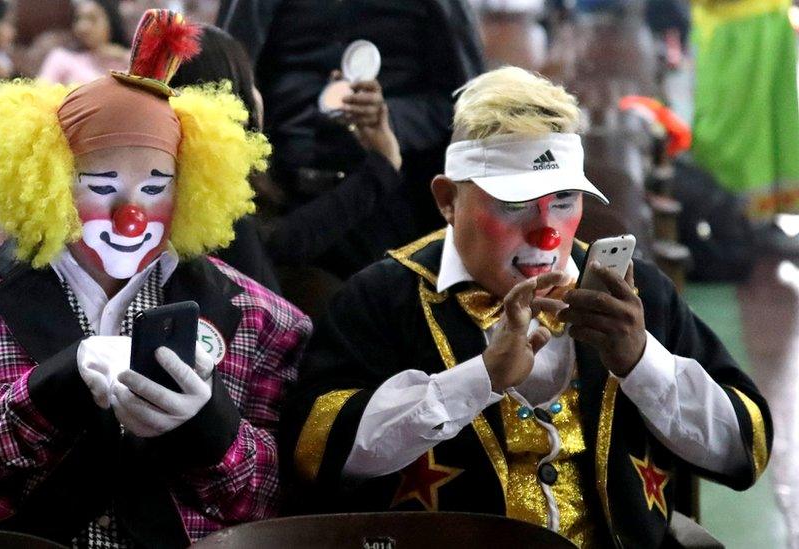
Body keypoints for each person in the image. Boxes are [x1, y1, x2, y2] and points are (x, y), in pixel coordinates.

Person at [281, 67, 772, 547]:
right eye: (515, 205)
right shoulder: (382, 299)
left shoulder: (633, 293)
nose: (547, 234)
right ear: (448, 199)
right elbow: (315, 454)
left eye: (563, 201)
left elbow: (744, 450)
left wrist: (645, 363)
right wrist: (479, 379)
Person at [0, 10, 310, 547]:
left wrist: (211, 429)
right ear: (49, 181)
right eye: (102, 185)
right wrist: (43, 394)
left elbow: (279, 500)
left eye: (155, 189)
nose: (132, 214)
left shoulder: (266, 322)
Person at [219, 0, 486, 248]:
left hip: (390, 199)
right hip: (278, 193)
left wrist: (386, 120)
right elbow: (226, 82)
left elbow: (466, 104)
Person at [169, 24, 410, 287]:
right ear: (230, 99)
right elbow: (279, 245)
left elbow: (282, 239)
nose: (258, 96)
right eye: (251, 83)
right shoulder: (218, 218)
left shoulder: (167, 181)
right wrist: (382, 167)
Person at [37, 0, 131, 85]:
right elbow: (40, 95)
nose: (82, 27)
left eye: (92, 19)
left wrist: (122, 55)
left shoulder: (127, 59)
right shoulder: (61, 58)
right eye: (78, 19)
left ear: (111, 21)